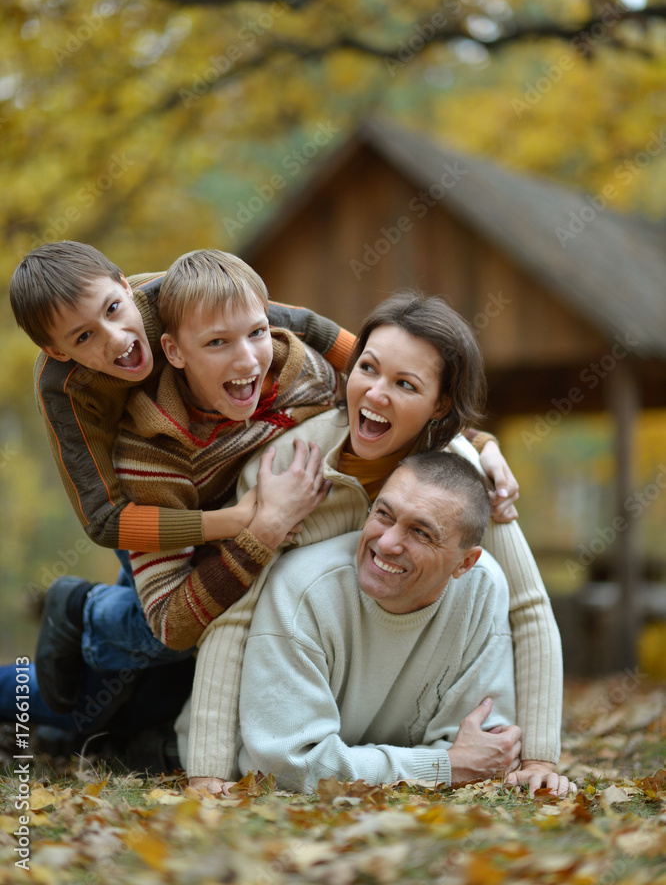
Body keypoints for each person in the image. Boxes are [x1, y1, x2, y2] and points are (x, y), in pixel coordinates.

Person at [187, 292, 564, 796]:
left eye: (405, 384)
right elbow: (234, 612)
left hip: (359, 696)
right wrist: (207, 769)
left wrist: (540, 757)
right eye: (368, 368)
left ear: (440, 404)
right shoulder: (286, 466)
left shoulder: (462, 481)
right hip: (263, 672)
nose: (376, 394)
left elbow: (529, 606)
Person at [9, 242, 355, 713]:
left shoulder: (171, 295)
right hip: (143, 494)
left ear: (125, 284)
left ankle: (119, 714)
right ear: (56, 350)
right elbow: (105, 521)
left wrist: (388, 378)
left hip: (204, 465)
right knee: (164, 637)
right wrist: (238, 522)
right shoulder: (63, 389)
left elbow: (305, 324)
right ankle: (82, 610)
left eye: (114, 308)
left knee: (172, 658)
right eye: (83, 337)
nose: (115, 338)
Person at [237, 452, 538, 791]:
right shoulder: (302, 587)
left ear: (464, 563)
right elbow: (288, 764)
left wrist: (458, 761)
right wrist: (441, 766)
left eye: (421, 532)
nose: (387, 542)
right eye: (384, 514)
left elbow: (484, 747)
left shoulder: (482, 587)